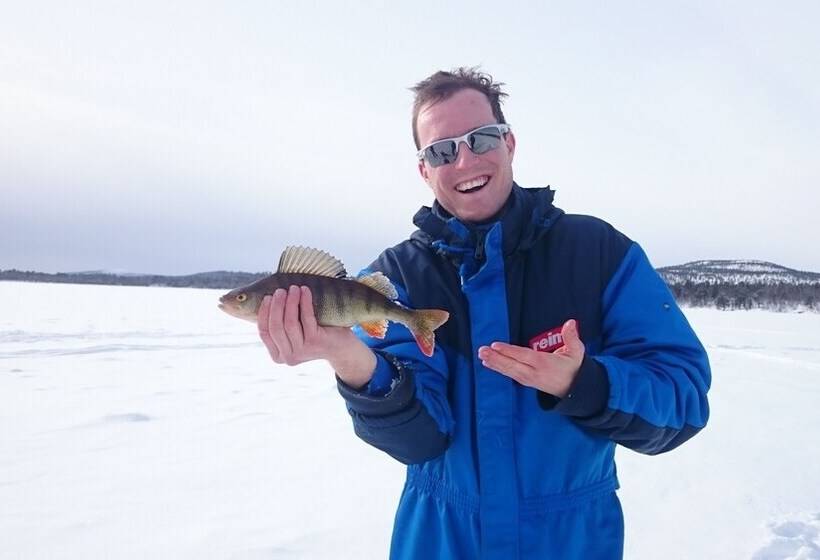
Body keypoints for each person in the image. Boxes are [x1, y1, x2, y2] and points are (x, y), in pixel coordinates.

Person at [255, 67, 711, 559]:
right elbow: (420, 441)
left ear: (510, 144)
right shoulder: (395, 279)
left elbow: (681, 398)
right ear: (424, 170)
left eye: (481, 138)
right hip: (440, 540)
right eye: (441, 150)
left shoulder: (599, 253)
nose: (465, 159)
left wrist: (585, 382)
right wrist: (351, 359)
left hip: (573, 541)